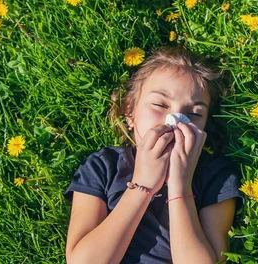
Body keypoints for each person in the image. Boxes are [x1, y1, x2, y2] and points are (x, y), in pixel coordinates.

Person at [64, 47, 243, 263]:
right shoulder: (104, 166)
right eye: (160, 104)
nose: (174, 120)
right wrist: (143, 185)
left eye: (194, 113)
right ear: (130, 110)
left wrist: (181, 183)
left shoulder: (216, 174)